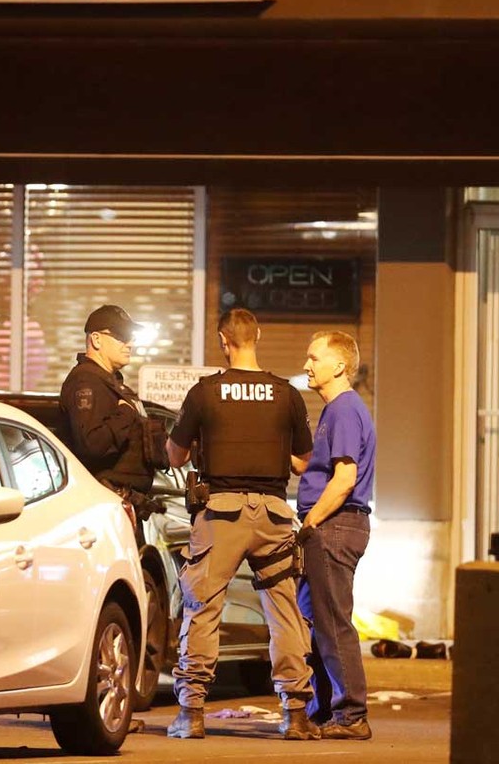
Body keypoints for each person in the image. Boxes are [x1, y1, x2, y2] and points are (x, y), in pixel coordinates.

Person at [164, 308, 319, 741]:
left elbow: (175, 456)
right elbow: (303, 462)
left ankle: (191, 713)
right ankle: (296, 714)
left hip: (221, 516)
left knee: (203, 608)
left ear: (222, 340)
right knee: (284, 612)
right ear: (258, 337)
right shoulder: (285, 393)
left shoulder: (205, 393)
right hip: (273, 515)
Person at [295, 330, 377, 740]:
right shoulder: (335, 411)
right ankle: (324, 709)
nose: (306, 365)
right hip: (333, 524)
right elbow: (321, 469)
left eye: (314, 358)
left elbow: (344, 479)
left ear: (339, 365)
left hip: (334, 524)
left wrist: (310, 524)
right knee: (315, 622)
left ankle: (352, 715)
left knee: (332, 621)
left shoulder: (345, 409)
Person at [58, 303, 162, 544]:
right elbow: (91, 445)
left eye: (130, 337)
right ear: (96, 340)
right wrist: (124, 416)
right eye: (121, 337)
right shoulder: (87, 382)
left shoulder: (109, 384)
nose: (130, 343)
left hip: (119, 506)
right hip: (103, 508)